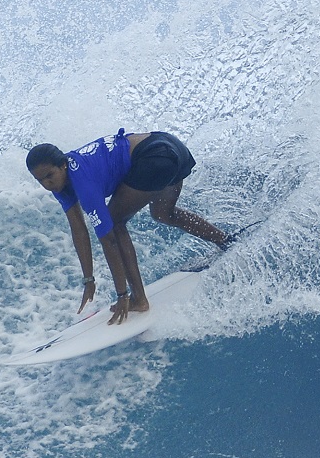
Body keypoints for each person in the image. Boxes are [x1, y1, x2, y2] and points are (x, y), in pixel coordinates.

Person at [26, 128, 228, 325]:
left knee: (115, 224)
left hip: (156, 156)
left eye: (49, 176)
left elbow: (109, 240)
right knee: (163, 214)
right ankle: (224, 240)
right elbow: (79, 230)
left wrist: (122, 294)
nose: (47, 184)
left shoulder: (83, 182)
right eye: (40, 180)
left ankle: (138, 299)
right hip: (171, 147)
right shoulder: (61, 181)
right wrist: (88, 279)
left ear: (62, 165)